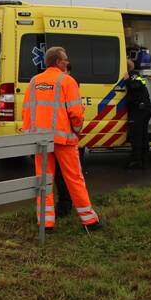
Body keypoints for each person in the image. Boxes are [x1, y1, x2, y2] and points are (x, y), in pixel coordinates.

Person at [22, 46, 103, 233]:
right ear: (58, 62)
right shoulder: (67, 81)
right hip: (63, 140)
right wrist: (76, 131)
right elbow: (76, 113)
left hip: (40, 141)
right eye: (65, 59)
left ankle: (46, 222)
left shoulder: (34, 81)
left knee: (44, 180)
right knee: (74, 179)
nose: (68, 62)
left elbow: (27, 110)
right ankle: (89, 221)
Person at [124, 59, 151, 170]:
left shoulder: (134, 74)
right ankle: (143, 159)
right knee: (142, 135)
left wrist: (126, 80)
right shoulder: (135, 74)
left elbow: (136, 85)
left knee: (136, 136)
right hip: (143, 108)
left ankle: (137, 161)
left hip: (140, 109)